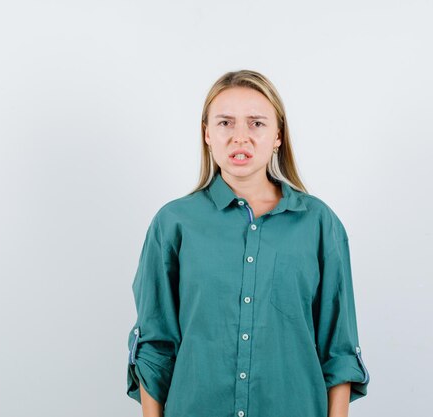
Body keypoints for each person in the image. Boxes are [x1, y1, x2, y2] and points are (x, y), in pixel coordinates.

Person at [126, 69, 370, 417]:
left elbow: (339, 349)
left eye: (256, 123)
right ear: (207, 133)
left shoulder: (319, 223)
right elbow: (154, 345)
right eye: (226, 123)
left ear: (278, 136)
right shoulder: (173, 224)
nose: (240, 137)